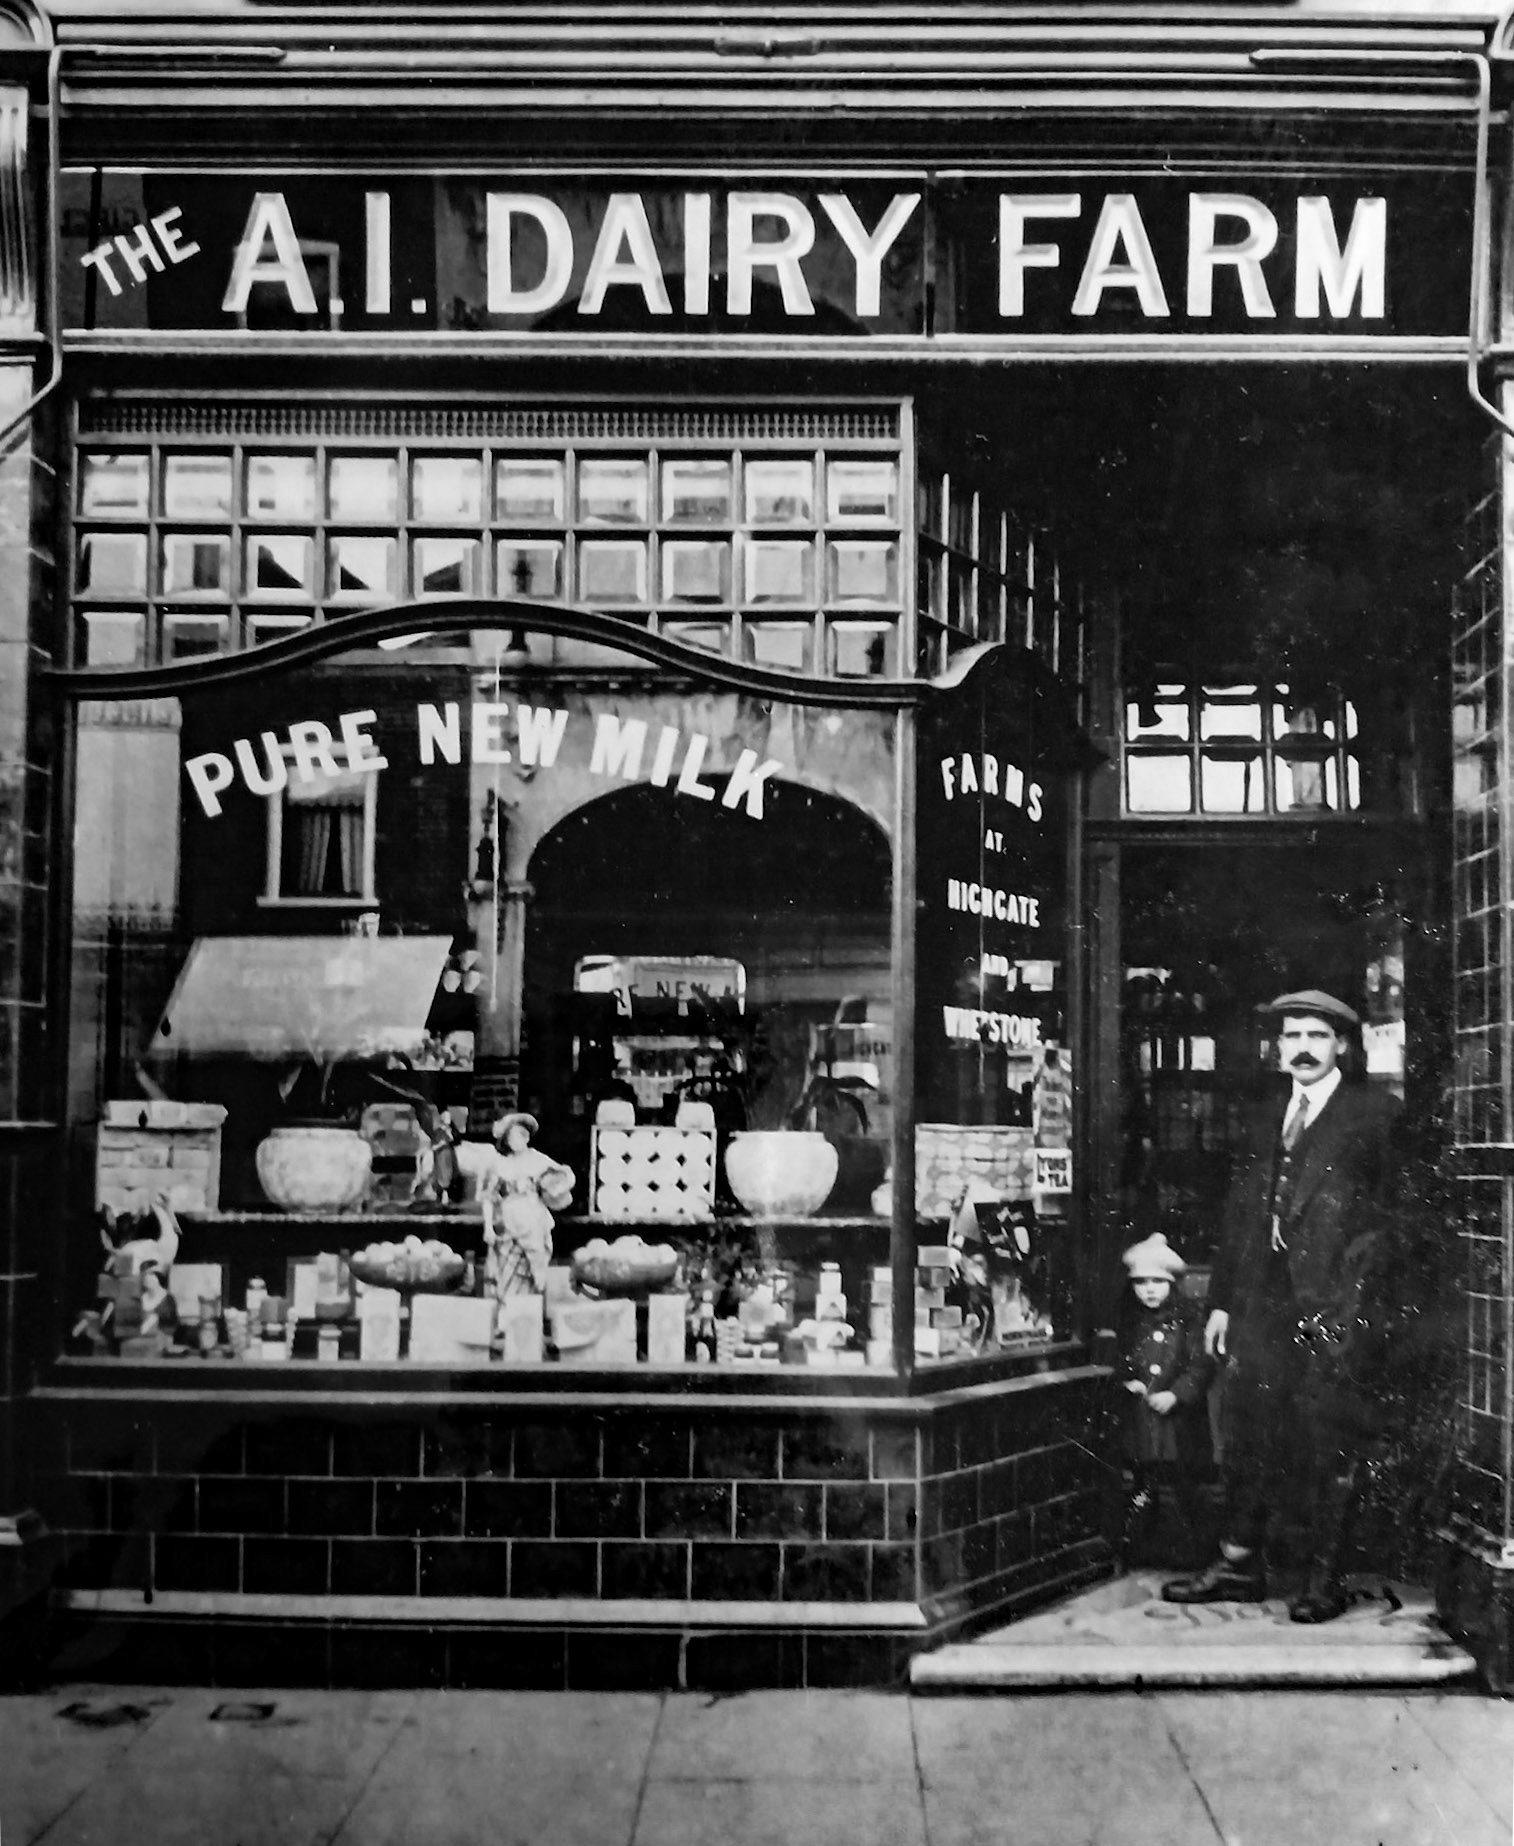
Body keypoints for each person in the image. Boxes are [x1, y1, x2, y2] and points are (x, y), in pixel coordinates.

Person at [1163, 989, 1402, 1623]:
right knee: (1247, 1428)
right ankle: (1240, 1562)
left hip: (1336, 1306)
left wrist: (1359, 1305)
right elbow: (1241, 1216)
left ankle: (1324, 1579)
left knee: (1331, 1439)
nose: (1301, 1048)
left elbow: (1394, 1224)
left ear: (1343, 1046)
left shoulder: (1376, 1115)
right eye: (1292, 1036)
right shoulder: (1267, 1113)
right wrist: (1220, 1304)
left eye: (1317, 1037)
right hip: (1265, 1303)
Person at [1110, 1232, 1213, 1569]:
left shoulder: (1188, 1321)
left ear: (1172, 1283)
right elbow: (1121, 1359)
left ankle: (1193, 1551)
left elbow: (1201, 1364)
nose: (1149, 1289)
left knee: (1184, 1485)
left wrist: (1177, 1393)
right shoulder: (1128, 1322)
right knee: (1143, 1483)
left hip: (1178, 1421)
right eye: (1141, 1282)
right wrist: (1129, 1381)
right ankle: (1142, 1546)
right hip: (1142, 1420)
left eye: (1157, 1281)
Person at [479, 1112, 575, 1298]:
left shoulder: (538, 1160)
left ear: (526, 1137)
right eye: (510, 1137)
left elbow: (566, 1175)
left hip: (534, 1221)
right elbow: (488, 1198)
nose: (515, 1141)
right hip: (507, 1224)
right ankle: (506, 1317)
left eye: (518, 1136)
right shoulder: (500, 1164)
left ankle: (528, 1314)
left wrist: (554, 1188)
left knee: (535, 1272)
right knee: (506, 1275)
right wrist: (488, 1227)